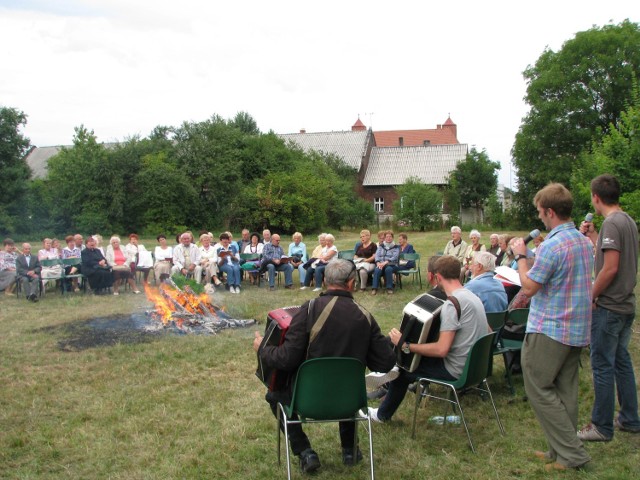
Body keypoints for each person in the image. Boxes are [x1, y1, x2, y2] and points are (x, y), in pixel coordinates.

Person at [253, 259, 395, 473]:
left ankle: (305, 452)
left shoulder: (308, 309)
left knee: (274, 395)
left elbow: (286, 359)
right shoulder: (365, 316)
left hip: (306, 399)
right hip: (350, 400)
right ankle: (350, 450)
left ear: (326, 280)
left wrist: (262, 348)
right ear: (351, 283)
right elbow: (385, 362)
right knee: (344, 378)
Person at [511, 182, 593, 471]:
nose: (540, 218)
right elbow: (556, 274)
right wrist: (534, 257)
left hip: (550, 329)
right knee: (565, 390)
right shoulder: (583, 241)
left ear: (549, 212)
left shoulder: (553, 245)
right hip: (576, 329)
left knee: (538, 388)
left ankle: (572, 454)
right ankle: (559, 451)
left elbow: (530, 286)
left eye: (540, 213)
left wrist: (521, 257)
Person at [365, 255, 488, 422]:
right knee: (408, 364)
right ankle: (393, 367)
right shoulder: (473, 296)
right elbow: (489, 331)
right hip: (476, 369)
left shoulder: (453, 303)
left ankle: (382, 414)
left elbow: (441, 349)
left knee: (404, 372)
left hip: (456, 371)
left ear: (437, 277)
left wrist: (405, 344)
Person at [577, 174, 640, 441]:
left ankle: (601, 426)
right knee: (621, 361)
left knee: (602, 364)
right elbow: (608, 256)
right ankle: (630, 418)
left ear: (595, 197)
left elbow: (611, 268)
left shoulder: (613, 224)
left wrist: (591, 295)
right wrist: (593, 238)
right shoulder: (625, 221)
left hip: (610, 307)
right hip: (625, 305)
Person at [371, 230, 400, 295]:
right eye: (387, 237)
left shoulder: (396, 247)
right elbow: (377, 255)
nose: (388, 238)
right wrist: (378, 262)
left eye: (390, 237)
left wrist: (385, 262)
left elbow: (395, 257)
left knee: (388, 269)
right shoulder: (381, 246)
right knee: (377, 269)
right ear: (385, 238)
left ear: (392, 238)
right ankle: (374, 288)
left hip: (392, 264)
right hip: (381, 263)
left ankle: (389, 288)